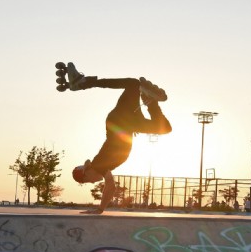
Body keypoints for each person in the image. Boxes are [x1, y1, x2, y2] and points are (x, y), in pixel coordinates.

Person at [67, 63, 172, 214]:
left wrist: (100, 209)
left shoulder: (99, 165)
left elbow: (111, 186)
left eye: (88, 180)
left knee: (133, 84)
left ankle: (84, 83)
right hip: (127, 125)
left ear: (86, 172)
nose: (94, 181)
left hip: (120, 122)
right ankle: (150, 100)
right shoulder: (101, 165)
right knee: (164, 127)